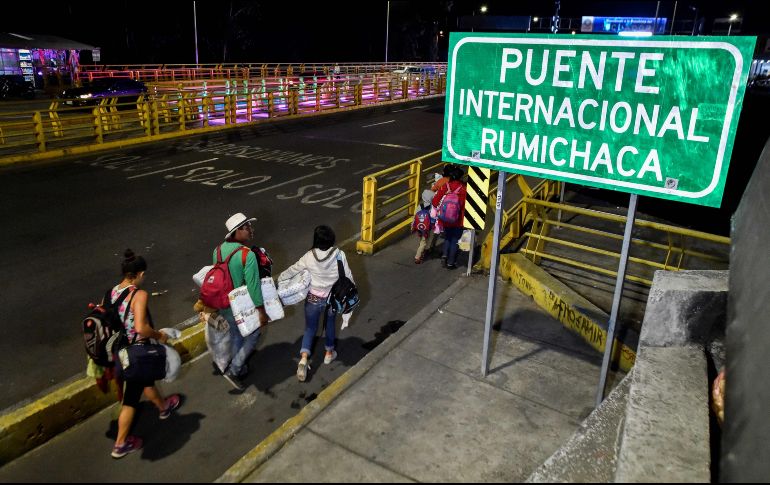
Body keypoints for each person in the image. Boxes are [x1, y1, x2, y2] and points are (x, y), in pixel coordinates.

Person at [110, 249, 181, 459]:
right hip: (136, 353)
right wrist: (159, 336)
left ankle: (163, 407)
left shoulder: (111, 293)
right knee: (132, 398)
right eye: (144, 274)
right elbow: (140, 327)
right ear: (139, 274)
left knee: (144, 383)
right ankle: (121, 444)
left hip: (119, 352)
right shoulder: (138, 295)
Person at [279, 225, 354, 382]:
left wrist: (280, 279)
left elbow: (293, 270)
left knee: (310, 328)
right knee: (330, 325)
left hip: (313, 299)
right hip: (331, 300)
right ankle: (328, 354)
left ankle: (304, 359)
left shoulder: (309, 256)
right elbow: (348, 276)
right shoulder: (339, 255)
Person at [215, 212, 268, 391]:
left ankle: (241, 366)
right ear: (237, 232)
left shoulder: (218, 250)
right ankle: (234, 369)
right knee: (253, 335)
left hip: (223, 303)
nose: (251, 230)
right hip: (241, 305)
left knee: (237, 335)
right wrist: (261, 311)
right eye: (247, 228)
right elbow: (253, 287)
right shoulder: (247, 255)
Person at [432, 165, 467, 269]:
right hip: (458, 219)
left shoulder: (445, 186)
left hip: (445, 218)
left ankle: (444, 256)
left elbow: (434, 202)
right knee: (455, 240)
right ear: (460, 177)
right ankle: (451, 262)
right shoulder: (464, 189)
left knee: (447, 237)